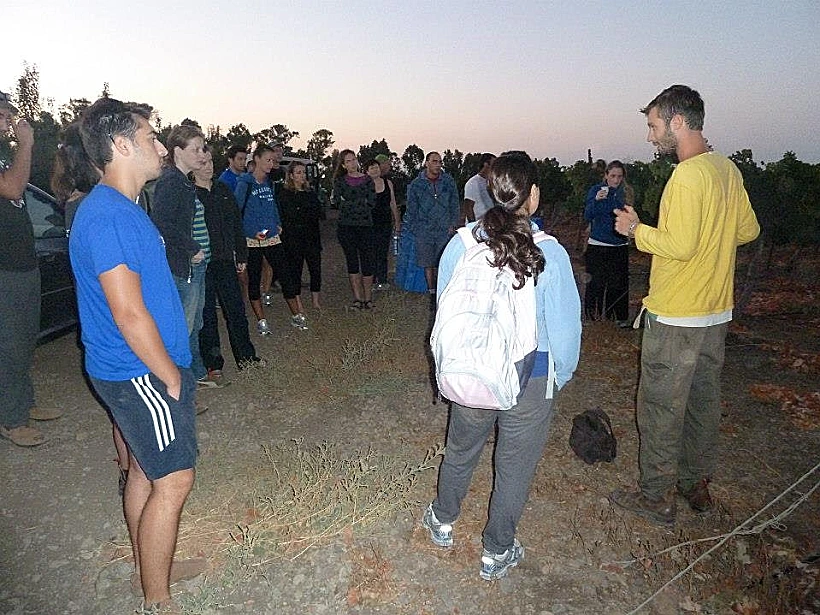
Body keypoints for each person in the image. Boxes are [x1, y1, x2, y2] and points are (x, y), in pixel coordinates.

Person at [70, 97, 205, 612]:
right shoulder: (107, 216)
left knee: (147, 472)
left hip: (135, 370)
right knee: (174, 477)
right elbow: (128, 314)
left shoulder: (118, 208)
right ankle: (157, 599)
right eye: (150, 137)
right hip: (140, 373)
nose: (158, 145)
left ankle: (151, 567)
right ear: (121, 145)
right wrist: (169, 375)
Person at [421, 152, 581, 581]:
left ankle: (442, 521)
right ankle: (496, 550)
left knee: (461, 449)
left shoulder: (461, 244)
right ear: (534, 195)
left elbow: (445, 313)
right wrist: (556, 378)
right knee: (515, 465)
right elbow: (566, 333)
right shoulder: (552, 253)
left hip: (474, 363)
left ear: (490, 192)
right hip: (533, 374)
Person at [609, 85, 760, 525]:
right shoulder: (727, 170)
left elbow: (679, 244)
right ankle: (695, 484)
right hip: (715, 312)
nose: (651, 136)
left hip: (676, 315)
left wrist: (637, 229)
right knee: (702, 403)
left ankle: (657, 497)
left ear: (677, 122)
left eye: (654, 126)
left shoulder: (687, 175)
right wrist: (713, 244)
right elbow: (747, 230)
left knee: (660, 407)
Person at [0, 91, 63, 448]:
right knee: (8, 342)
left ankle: (24, 402)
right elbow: (11, 187)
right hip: (4, 268)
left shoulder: (4, 153)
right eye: (4, 114)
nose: (10, 120)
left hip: (23, 263)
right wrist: (26, 144)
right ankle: (11, 419)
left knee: (23, 338)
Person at [150, 125, 211, 388]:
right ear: (177, 151)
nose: (201, 154)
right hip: (180, 267)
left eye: (203, 148)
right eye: (195, 149)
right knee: (180, 330)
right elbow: (161, 222)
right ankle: (175, 386)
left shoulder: (182, 181)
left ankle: (193, 377)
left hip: (191, 266)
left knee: (193, 325)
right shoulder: (171, 181)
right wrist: (191, 247)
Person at [194, 149, 263, 376]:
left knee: (236, 312)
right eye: (202, 162)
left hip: (225, 261)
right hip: (202, 263)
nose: (208, 166)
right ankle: (213, 365)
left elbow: (236, 224)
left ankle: (247, 359)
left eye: (210, 161)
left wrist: (241, 255)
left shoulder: (223, 190)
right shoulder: (189, 193)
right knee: (207, 317)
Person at [235, 144, 294, 334]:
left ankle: (297, 314)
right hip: (252, 240)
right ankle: (261, 320)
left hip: (271, 237)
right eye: (268, 160)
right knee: (254, 279)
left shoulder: (269, 182)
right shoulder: (245, 183)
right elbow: (237, 212)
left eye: (273, 160)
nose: (271, 164)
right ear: (257, 159)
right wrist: (252, 232)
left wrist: (277, 223)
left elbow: (272, 206)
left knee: (284, 273)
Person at [405, 151, 460, 305]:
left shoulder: (448, 181)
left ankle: (443, 290)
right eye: (434, 161)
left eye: (440, 162)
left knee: (444, 261)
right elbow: (411, 208)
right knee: (428, 262)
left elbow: (455, 204)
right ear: (426, 163)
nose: (438, 164)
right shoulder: (417, 184)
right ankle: (431, 292)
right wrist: (416, 228)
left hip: (444, 229)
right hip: (424, 229)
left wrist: (453, 224)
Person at [583, 160, 630, 326]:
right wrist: (596, 200)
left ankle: (618, 318)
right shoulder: (596, 191)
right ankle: (591, 317)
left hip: (620, 245)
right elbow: (588, 215)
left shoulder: (625, 193)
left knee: (619, 284)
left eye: (619, 176)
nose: (616, 180)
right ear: (606, 176)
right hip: (598, 244)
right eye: (613, 176)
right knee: (595, 283)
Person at [277, 160, 323, 314]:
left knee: (315, 269)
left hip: (311, 237)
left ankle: (316, 301)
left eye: (304, 172)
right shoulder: (284, 194)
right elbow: (285, 216)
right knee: (295, 271)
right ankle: (298, 303)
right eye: (298, 172)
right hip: (293, 238)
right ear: (291, 175)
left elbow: (320, 213)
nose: (302, 175)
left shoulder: (310, 193)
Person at [333, 149, 376, 309]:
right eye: (348, 161)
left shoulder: (368, 180)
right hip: (346, 228)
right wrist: (359, 202)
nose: (352, 163)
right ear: (343, 165)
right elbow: (337, 202)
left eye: (354, 159)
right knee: (352, 262)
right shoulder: (340, 182)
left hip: (365, 227)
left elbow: (371, 202)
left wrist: (349, 202)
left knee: (367, 263)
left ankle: (368, 298)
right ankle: (357, 299)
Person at [365, 159, 400, 291]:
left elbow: (393, 203)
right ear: (367, 171)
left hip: (385, 223)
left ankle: (383, 280)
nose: (375, 170)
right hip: (369, 223)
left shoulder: (388, 183)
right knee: (371, 252)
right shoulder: (365, 185)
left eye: (377, 167)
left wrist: (397, 222)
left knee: (383, 252)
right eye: (372, 168)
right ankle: (372, 281)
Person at [461, 153, 496, 223]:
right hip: (478, 225)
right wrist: (472, 226)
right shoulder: (473, 183)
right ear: (486, 164)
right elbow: (468, 207)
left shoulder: (492, 182)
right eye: (494, 164)